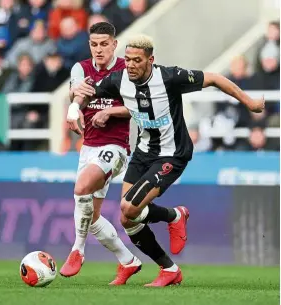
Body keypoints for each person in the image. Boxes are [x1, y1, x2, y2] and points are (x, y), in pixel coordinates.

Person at [67, 34, 265, 287]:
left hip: (172, 153)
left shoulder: (170, 77)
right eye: (127, 59)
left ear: (151, 60)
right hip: (143, 152)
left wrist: (248, 102)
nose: (130, 65)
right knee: (127, 218)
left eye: (137, 60)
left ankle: (172, 219)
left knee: (129, 208)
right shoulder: (118, 79)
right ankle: (170, 264)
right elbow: (86, 91)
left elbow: (214, 78)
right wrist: (75, 105)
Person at [60, 22, 142, 286]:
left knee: (81, 187)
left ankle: (77, 250)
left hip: (116, 147)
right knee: (92, 217)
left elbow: (138, 108)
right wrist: (74, 105)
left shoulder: (125, 70)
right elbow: (77, 92)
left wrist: (109, 112)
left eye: (104, 44)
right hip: (89, 147)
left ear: (114, 44)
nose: (98, 50)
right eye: (94, 44)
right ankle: (128, 261)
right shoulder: (80, 69)